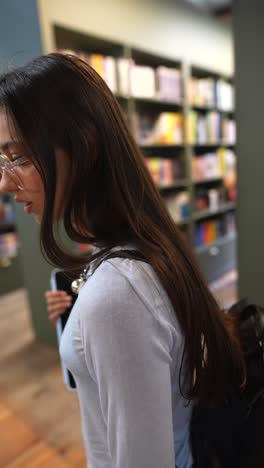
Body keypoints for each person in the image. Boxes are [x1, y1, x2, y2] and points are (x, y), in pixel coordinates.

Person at [0, 53, 245, 468]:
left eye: (18, 157)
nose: (5, 181)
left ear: (84, 146)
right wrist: (82, 330)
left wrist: (94, 318)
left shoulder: (118, 296)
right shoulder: (139, 249)